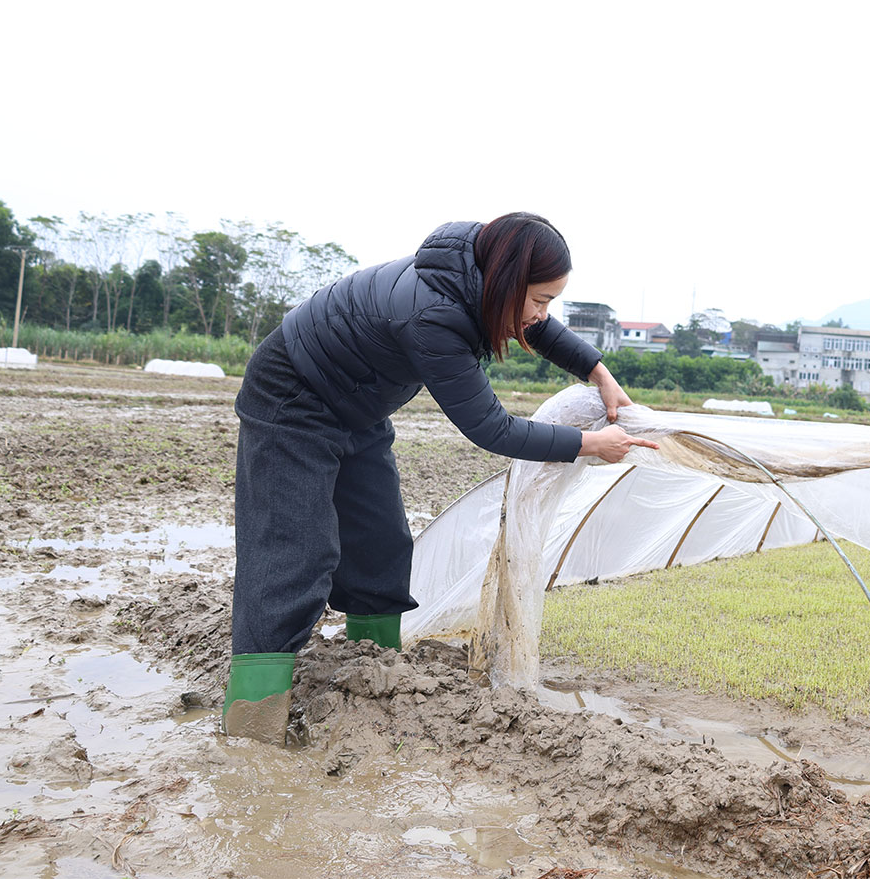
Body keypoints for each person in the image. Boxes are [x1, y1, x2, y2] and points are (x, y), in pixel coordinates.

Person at [223, 213, 658, 743]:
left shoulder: (476, 275)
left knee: (381, 544)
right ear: (504, 282)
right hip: (292, 394)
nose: (543, 315)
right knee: (295, 553)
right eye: (540, 300)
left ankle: (370, 682)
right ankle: (250, 731)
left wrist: (598, 372)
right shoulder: (434, 314)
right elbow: (490, 428)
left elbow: (538, 328)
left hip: (356, 403)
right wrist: (589, 444)